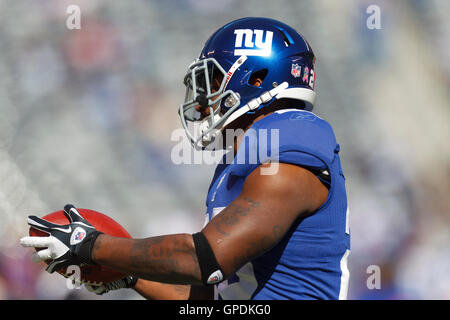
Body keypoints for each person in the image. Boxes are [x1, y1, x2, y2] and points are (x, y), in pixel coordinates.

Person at [20, 17, 350, 300]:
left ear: (257, 78)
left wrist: (90, 245)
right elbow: (209, 295)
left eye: (214, 81)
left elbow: (205, 259)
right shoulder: (242, 159)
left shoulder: (292, 147)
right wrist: (131, 275)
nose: (204, 99)